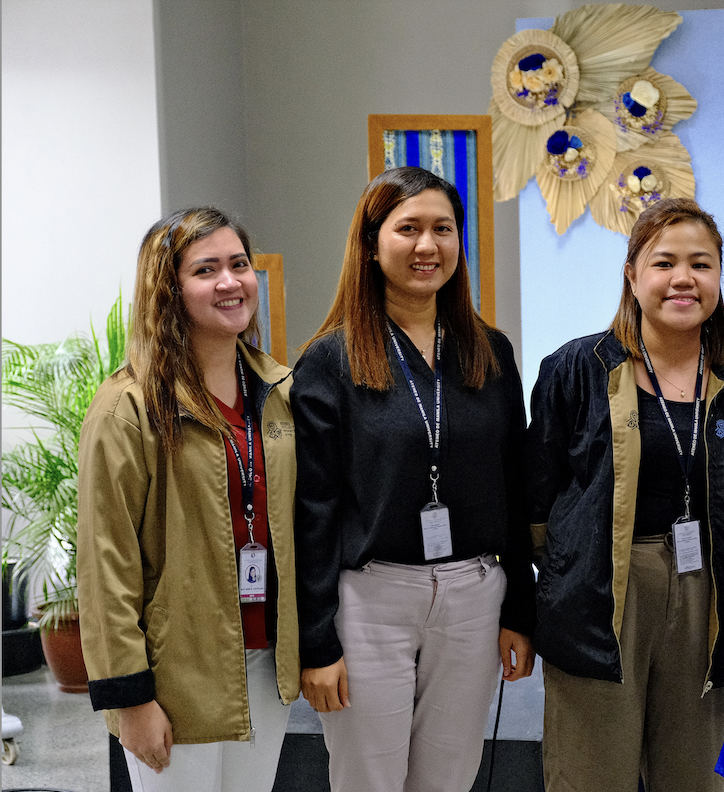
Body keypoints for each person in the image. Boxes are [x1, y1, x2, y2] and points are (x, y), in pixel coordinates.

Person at [292, 166, 535, 792]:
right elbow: (312, 510)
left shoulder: (491, 350)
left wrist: (519, 611)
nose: (428, 246)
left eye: (443, 229)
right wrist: (316, 642)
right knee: (368, 779)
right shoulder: (332, 359)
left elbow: (515, 486)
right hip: (372, 601)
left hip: (474, 594)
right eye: (408, 229)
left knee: (450, 778)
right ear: (372, 245)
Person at [527, 198, 724, 792]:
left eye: (701, 264)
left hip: (707, 593)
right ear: (632, 275)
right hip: (601, 594)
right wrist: (568, 572)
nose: (683, 278)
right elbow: (536, 498)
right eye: (664, 263)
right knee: (591, 776)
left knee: (694, 776)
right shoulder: (576, 368)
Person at [78, 207, 300, 792]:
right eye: (206, 270)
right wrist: (130, 698)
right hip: (174, 677)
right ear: (168, 291)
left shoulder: (279, 392)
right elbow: (106, 565)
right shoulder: (126, 408)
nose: (231, 282)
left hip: (264, 662)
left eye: (239, 265)